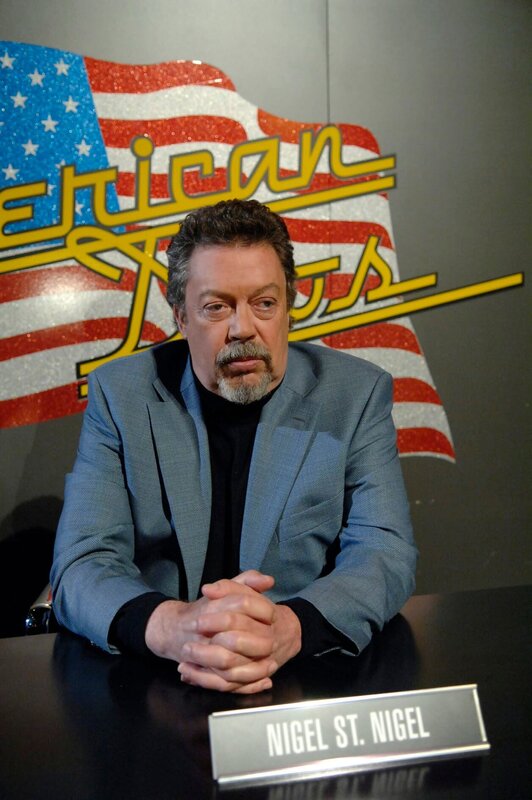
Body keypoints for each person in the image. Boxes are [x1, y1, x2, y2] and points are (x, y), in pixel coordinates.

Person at [51, 199, 417, 694]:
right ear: (182, 317)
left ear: (288, 307)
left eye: (264, 303)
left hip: (299, 675)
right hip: (158, 678)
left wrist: (290, 628)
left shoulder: (356, 396)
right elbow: (82, 561)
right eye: (217, 307)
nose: (244, 328)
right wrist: (174, 627)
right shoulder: (121, 396)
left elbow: (384, 551)